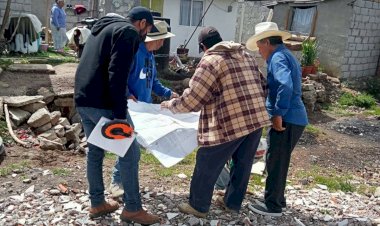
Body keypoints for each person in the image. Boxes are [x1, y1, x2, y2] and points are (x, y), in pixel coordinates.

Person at [161, 26, 271, 218]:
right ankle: (232, 203)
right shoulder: (245, 54)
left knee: (206, 162)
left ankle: (198, 206)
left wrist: (171, 105)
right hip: (255, 118)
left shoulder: (210, 61)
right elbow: (263, 84)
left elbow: (193, 100)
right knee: (242, 163)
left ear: (203, 46)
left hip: (231, 122)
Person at [74, 7, 161, 225]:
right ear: (141, 23)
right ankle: (133, 208)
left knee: (95, 151)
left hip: (83, 99)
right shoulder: (128, 32)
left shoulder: (100, 28)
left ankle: (97, 203)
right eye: (148, 29)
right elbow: (117, 72)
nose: (146, 34)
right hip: (103, 102)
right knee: (130, 154)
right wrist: (120, 114)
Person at [109, 19, 179, 197]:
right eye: (161, 39)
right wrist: (126, 93)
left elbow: (153, 82)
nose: (163, 43)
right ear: (150, 38)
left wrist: (169, 93)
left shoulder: (150, 57)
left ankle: (124, 181)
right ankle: (116, 182)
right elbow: (119, 75)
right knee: (127, 147)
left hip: (143, 110)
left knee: (133, 149)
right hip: (129, 108)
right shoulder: (134, 53)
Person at [245, 22, 308, 217]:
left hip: (288, 118)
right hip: (295, 117)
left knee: (275, 161)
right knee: (279, 160)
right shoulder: (286, 54)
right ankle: (278, 199)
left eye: (259, 45)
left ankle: (273, 206)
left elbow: (285, 85)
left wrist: (278, 113)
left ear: (266, 42)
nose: (259, 50)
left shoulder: (277, 57)